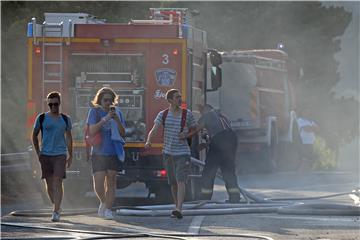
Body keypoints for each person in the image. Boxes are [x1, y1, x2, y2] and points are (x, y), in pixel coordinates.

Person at [145, 89, 196, 219]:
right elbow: (154, 129)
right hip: (168, 153)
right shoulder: (163, 114)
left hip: (183, 153)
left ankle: (179, 208)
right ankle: (176, 206)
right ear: (170, 100)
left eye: (180, 97)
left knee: (181, 180)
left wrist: (187, 134)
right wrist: (149, 141)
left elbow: (195, 129)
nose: (180, 99)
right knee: (173, 182)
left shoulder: (187, 114)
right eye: (177, 97)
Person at [32, 91, 73, 222]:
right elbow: (34, 135)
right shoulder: (42, 118)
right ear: (48, 104)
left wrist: (70, 155)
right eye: (51, 105)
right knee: (49, 185)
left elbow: (69, 137)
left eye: (56, 104)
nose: (53, 107)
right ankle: (57, 205)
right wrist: (38, 152)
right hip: (45, 154)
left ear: (60, 103)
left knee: (57, 181)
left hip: (60, 155)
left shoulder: (66, 119)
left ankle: (56, 211)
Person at [87, 87, 126, 219]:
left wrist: (116, 120)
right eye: (105, 100)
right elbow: (91, 130)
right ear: (100, 100)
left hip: (113, 151)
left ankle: (109, 209)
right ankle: (103, 201)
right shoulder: (94, 112)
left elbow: (122, 133)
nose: (108, 102)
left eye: (111, 100)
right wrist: (106, 118)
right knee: (98, 183)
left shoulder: (117, 112)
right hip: (98, 151)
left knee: (111, 181)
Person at [189, 104, 241, 203]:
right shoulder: (222, 116)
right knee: (228, 171)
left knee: (209, 171)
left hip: (220, 141)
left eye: (201, 111)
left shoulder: (207, 115)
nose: (200, 113)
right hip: (232, 139)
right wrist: (207, 144)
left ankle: (205, 198)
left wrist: (184, 136)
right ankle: (235, 197)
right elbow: (223, 134)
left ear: (205, 109)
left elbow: (196, 129)